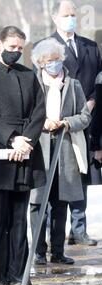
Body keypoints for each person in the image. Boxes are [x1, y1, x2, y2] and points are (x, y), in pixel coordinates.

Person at [0, 26, 46, 285]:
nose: (16, 52)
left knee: (18, 218)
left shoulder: (29, 75)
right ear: (1, 45)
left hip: (24, 152)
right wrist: (11, 137)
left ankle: (17, 274)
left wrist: (26, 141)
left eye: (20, 48)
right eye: (12, 47)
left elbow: (40, 111)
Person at [30, 38, 92, 266]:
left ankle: (57, 250)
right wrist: (41, 123)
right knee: (38, 204)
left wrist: (65, 122)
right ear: (40, 63)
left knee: (60, 203)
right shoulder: (33, 82)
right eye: (49, 61)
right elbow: (27, 115)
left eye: (57, 60)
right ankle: (38, 251)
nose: (54, 65)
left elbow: (85, 116)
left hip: (65, 150)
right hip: (40, 150)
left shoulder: (73, 84)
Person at [49, 0, 101, 246]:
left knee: (82, 174)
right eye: (65, 14)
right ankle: (53, 233)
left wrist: (91, 101)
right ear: (54, 19)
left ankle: (78, 228)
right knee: (58, 178)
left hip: (86, 119)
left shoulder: (90, 46)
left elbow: (98, 81)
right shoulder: (46, 47)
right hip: (59, 122)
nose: (71, 18)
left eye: (73, 14)